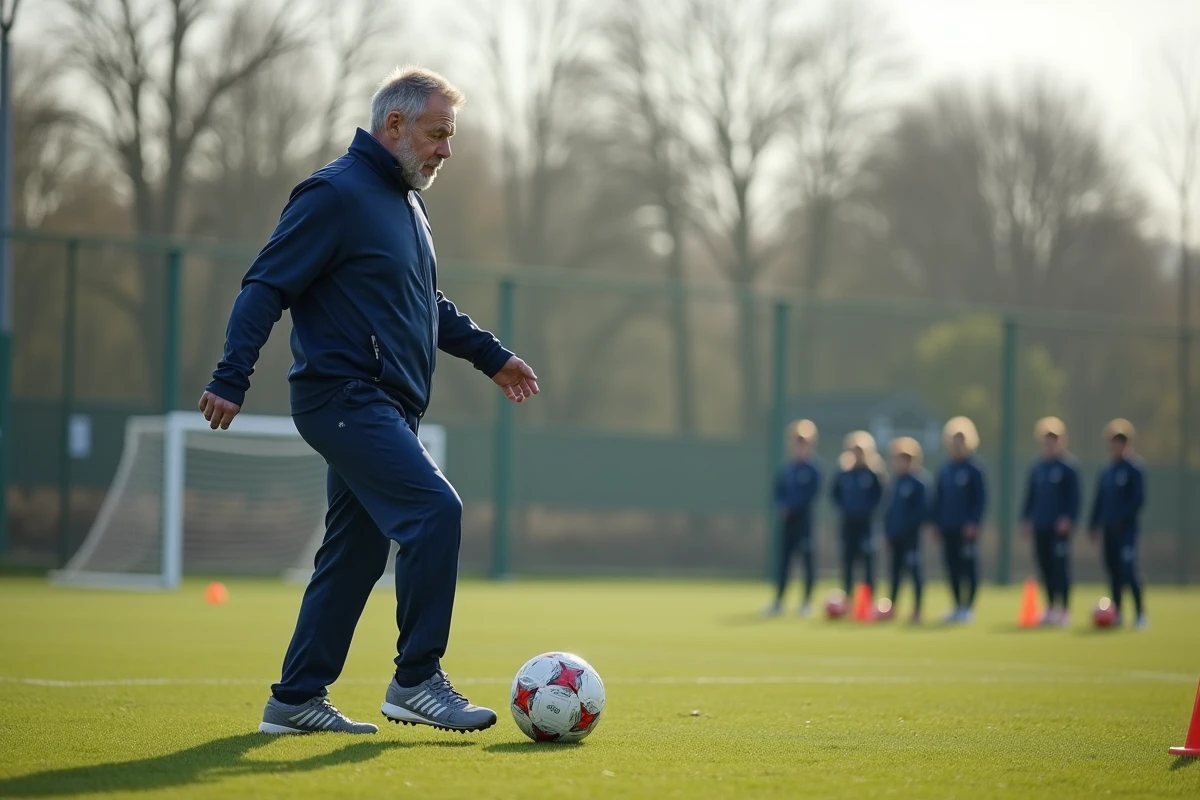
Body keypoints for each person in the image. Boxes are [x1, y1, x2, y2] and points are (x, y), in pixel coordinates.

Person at [199, 67, 540, 735]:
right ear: (394, 125)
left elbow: (425, 305)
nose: (446, 150)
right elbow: (265, 285)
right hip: (343, 396)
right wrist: (231, 375)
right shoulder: (334, 193)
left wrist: (491, 356)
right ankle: (416, 679)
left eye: (450, 136)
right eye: (438, 134)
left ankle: (296, 699)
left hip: (387, 407)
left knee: (353, 554)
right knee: (435, 511)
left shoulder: (408, 205)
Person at [1021, 417, 1081, 627]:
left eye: (1054, 438)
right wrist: (1026, 519)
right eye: (1047, 439)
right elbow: (1030, 496)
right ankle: (1049, 607)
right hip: (1041, 526)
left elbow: (1074, 499)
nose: (1050, 443)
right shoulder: (1037, 467)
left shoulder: (1068, 468)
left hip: (1059, 530)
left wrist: (1068, 519)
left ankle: (1064, 609)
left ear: (1061, 440)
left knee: (1060, 568)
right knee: (1044, 567)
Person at [1087, 419, 1147, 629]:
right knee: (1113, 572)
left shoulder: (1134, 468)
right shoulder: (1106, 470)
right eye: (1113, 441)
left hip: (1126, 531)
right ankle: (1118, 613)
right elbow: (1099, 500)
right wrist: (1093, 524)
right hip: (1108, 530)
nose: (1116, 445)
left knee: (1128, 570)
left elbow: (1138, 500)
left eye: (1121, 441)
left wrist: (1122, 519)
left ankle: (1140, 614)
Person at [930, 417, 986, 623]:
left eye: (961, 440)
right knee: (951, 567)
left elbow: (980, 499)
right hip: (948, 527)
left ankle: (968, 608)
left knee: (968, 567)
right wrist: (936, 523)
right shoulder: (945, 469)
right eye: (954, 440)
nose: (957, 445)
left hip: (966, 529)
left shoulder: (974, 469)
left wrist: (974, 522)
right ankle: (956, 606)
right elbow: (938, 498)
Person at [766, 420, 822, 617]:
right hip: (787, 523)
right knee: (784, 563)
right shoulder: (787, 469)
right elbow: (777, 493)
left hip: (804, 523)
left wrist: (794, 508)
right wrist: (782, 508)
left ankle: (806, 602)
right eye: (797, 442)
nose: (800, 446)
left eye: (804, 442)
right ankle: (778, 601)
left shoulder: (813, 469)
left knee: (807, 562)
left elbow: (811, 495)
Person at [831, 432, 884, 599]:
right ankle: (847, 597)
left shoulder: (873, 475)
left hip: (866, 525)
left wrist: (865, 510)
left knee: (868, 562)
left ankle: (868, 599)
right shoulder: (844, 474)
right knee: (848, 562)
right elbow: (835, 495)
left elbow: (879, 497)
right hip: (848, 524)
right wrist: (846, 509)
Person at [883, 437, 928, 624]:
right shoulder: (894, 482)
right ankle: (892, 607)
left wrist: (908, 528)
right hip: (895, 536)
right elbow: (888, 511)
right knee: (894, 573)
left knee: (914, 572)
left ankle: (917, 610)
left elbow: (921, 512)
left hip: (911, 537)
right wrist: (888, 533)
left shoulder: (919, 483)